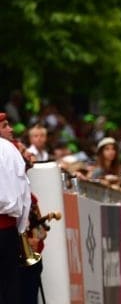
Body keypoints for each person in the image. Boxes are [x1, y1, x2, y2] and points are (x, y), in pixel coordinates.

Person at [0, 118, 31, 303]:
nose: (10, 129)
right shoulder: (10, 149)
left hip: (7, 225)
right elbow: (24, 191)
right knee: (10, 286)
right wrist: (20, 228)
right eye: (5, 126)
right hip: (7, 229)